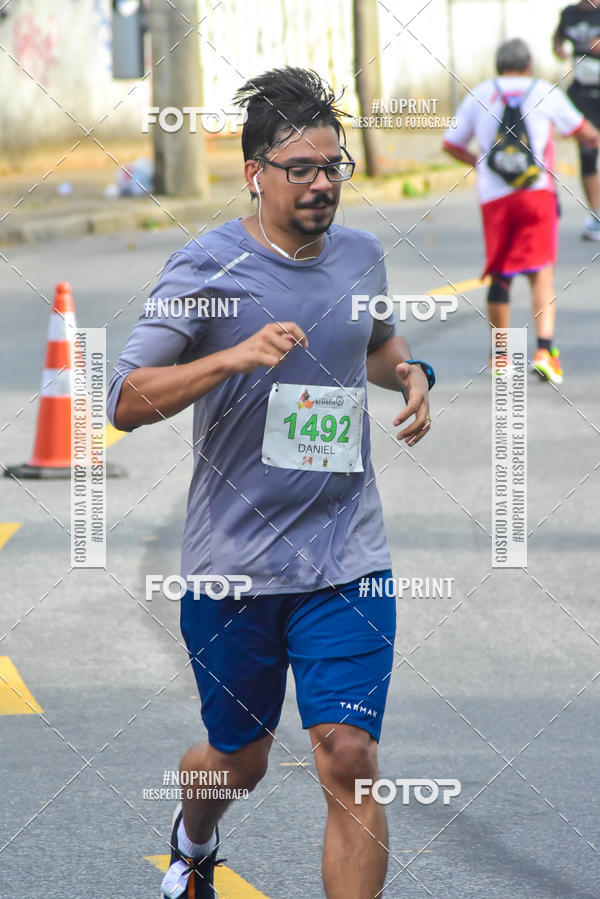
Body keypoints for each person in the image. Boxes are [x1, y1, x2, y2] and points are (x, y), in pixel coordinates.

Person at [107, 67, 435, 899]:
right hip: (236, 566)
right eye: (303, 168)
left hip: (346, 556)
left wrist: (411, 373)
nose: (323, 183)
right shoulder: (207, 268)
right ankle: (192, 837)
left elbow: (372, 340)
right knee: (239, 759)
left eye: (334, 166)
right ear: (256, 172)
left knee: (349, 756)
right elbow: (124, 400)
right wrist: (230, 356)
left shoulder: (361, 254)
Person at [443, 38, 598, 385]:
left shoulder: (480, 93)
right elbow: (584, 132)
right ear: (528, 65)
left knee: (500, 271)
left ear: (499, 66)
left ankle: (501, 357)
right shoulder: (544, 90)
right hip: (536, 194)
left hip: (495, 199)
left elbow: (450, 143)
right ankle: (544, 352)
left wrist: (481, 163)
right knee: (541, 271)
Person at [553, 0, 600, 240]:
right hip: (581, 94)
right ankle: (597, 215)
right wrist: (559, 48)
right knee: (588, 152)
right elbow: (558, 39)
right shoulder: (569, 14)